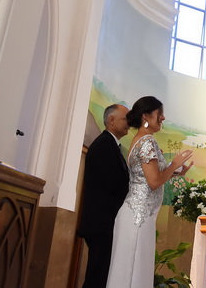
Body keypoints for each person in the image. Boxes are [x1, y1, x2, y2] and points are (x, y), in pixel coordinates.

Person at [106, 96, 194, 288]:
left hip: (139, 215)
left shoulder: (141, 139)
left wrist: (174, 173)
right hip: (138, 216)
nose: (162, 118)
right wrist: (175, 164)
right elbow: (154, 181)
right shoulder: (146, 142)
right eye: (159, 113)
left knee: (133, 270)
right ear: (146, 115)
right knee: (133, 271)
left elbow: (149, 178)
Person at [78, 104, 130, 288]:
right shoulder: (103, 145)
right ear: (111, 120)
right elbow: (113, 183)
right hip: (101, 224)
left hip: (104, 224)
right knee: (97, 278)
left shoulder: (112, 145)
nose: (129, 123)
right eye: (125, 118)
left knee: (101, 276)